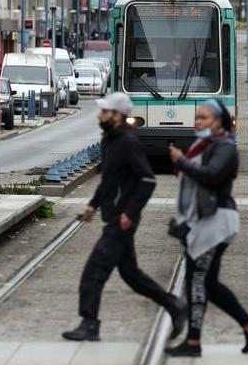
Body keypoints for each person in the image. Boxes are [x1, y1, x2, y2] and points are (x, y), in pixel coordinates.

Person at [62, 92, 186, 342]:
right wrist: (93, 205)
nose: (99, 115)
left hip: (120, 220)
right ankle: (174, 306)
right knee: (131, 275)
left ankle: (89, 324)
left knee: (93, 272)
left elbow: (148, 180)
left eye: (104, 112)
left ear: (117, 116)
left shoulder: (127, 142)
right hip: (114, 215)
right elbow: (109, 180)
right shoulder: (110, 140)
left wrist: (130, 212)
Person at [165, 99, 248, 358]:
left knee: (197, 280)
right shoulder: (206, 145)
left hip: (216, 221)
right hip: (204, 219)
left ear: (220, 121)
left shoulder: (225, 146)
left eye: (204, 118)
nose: (198, 122)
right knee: (208, 282)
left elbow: (211, 175)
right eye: (196, 117)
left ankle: (193, 342)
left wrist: (182, 162)